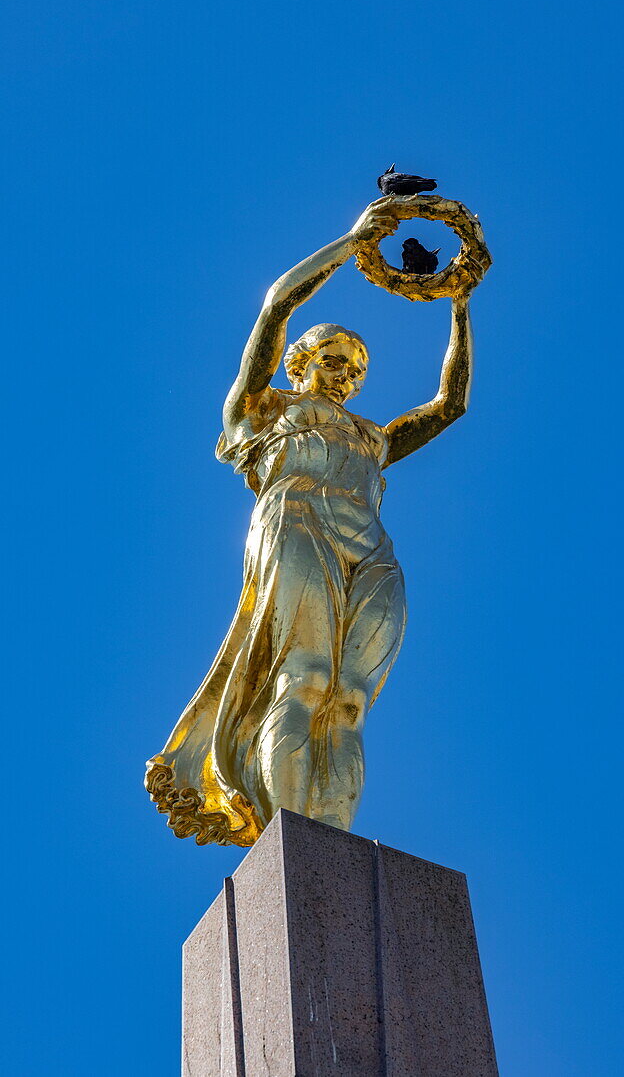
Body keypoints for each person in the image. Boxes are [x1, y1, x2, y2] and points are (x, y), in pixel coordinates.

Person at [145, 200, 478, 846]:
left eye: (356, 368)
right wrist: (356, 242)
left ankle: (336, 851)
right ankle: (292, 841)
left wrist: (459, 303)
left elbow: (450, 404)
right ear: (300, 363)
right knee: (303, 679)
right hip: (295, 518)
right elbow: (275, 306)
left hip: (370, 545)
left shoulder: (372, 438)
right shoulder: (262, 408)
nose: (347, 373)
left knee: (349, 700)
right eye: (333, 358)